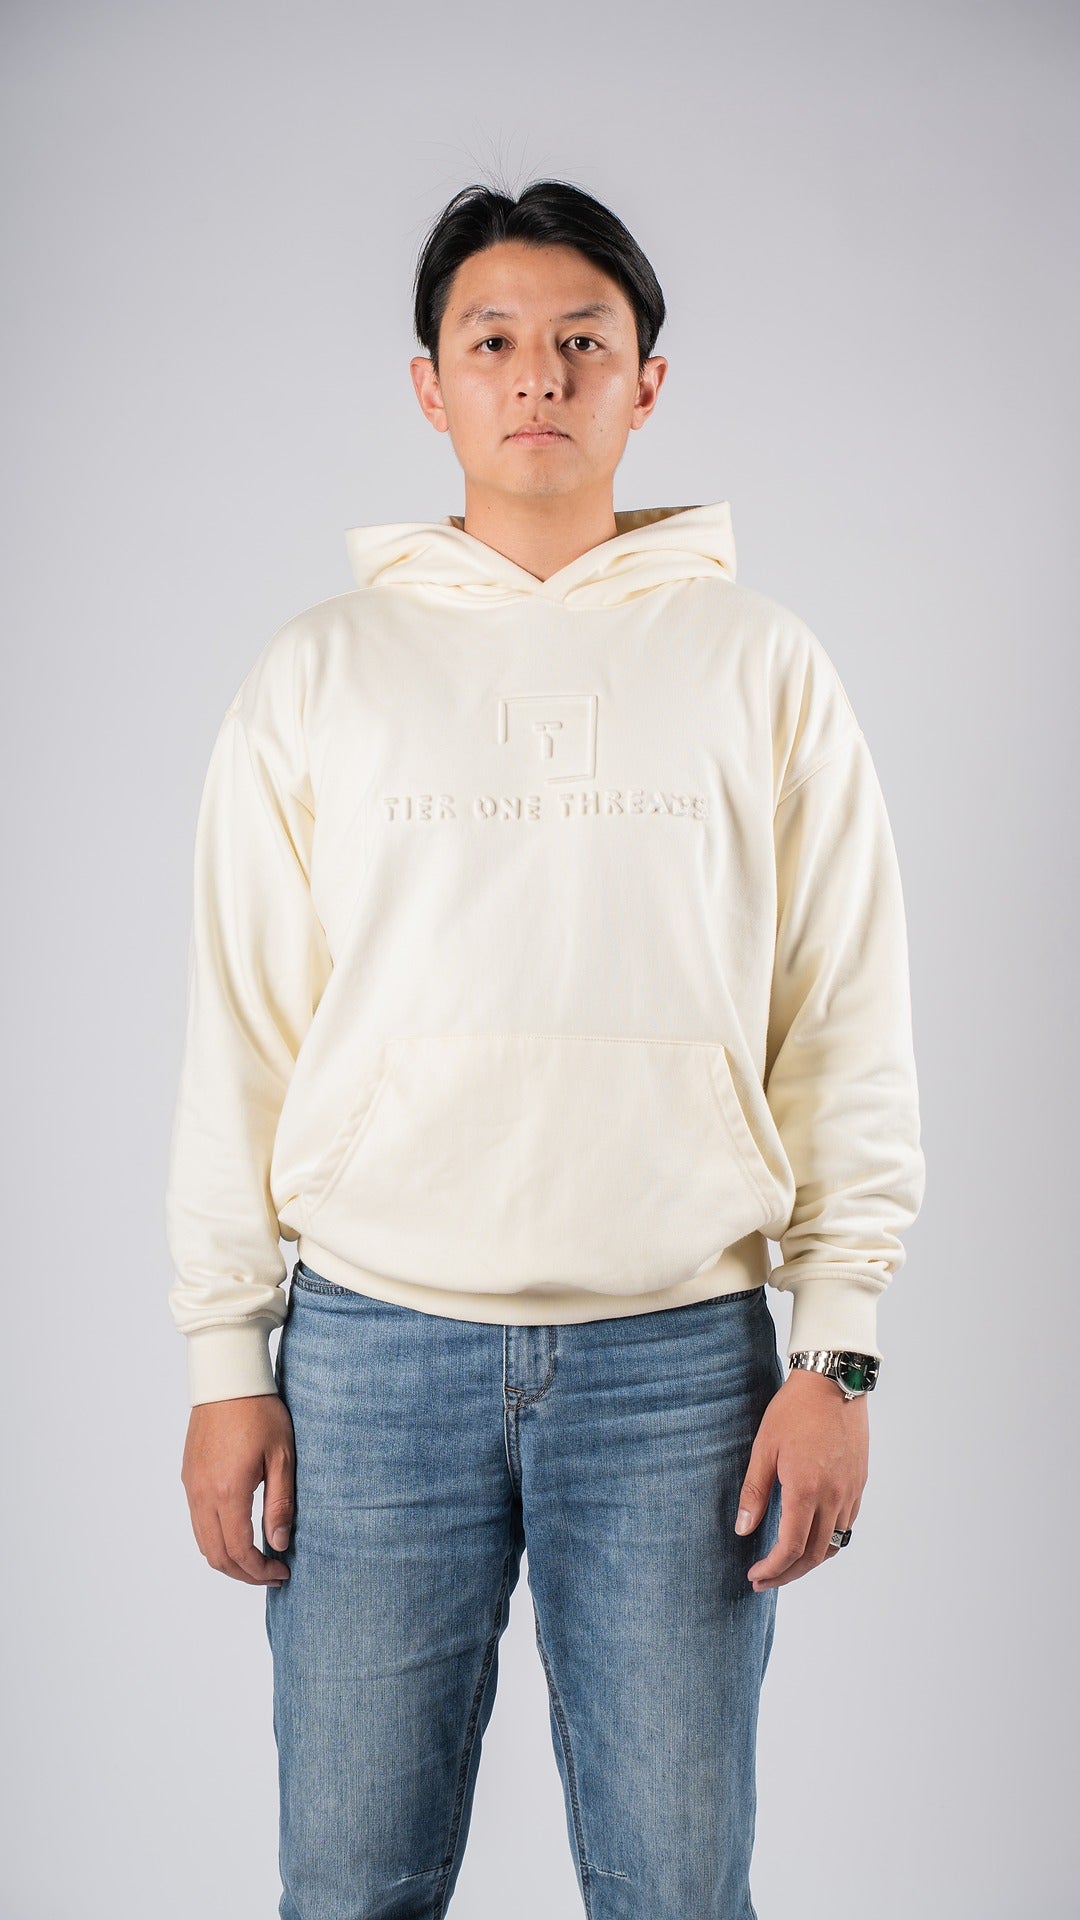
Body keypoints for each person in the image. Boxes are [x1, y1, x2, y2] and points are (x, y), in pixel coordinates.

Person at [165, 176, 927, 1919]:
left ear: (645, 384)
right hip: (371, 1356)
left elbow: (845, 1018)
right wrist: (224, 1359)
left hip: (682, 1367)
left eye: (583, 342)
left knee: (677, 1890)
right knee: (349, 1888)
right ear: (428, 385)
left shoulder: (762, 666)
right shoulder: (319, 674)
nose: (538, 376)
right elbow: (243, 1028)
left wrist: (841, 1352)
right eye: (492, 340)